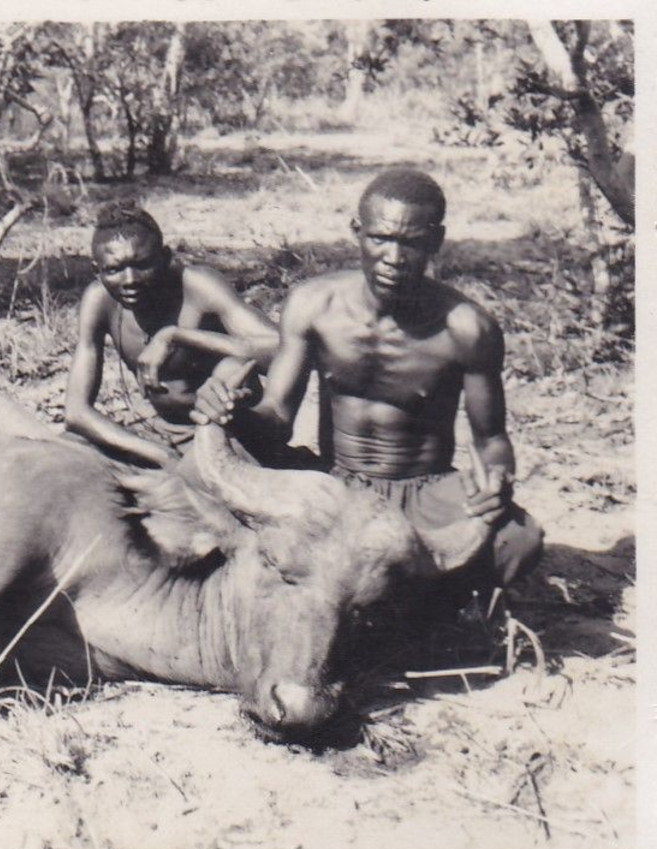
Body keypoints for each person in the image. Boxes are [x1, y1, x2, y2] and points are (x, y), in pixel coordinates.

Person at [193, 168, 544, 597]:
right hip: (334, 482)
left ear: (435, 241)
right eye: (380, 238)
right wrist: (231, 410)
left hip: (425, 490)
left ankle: (399, 601)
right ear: (357, 232)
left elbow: (491, 439)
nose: (393, 258)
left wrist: (498, 481)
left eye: (411, 243)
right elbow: (277, 415)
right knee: (202, 481)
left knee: (518, 539)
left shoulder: (467, 328)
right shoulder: (313, 304)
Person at [64, 202, 278, 468]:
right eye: (114, 270)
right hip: (161, 433)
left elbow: (283, 353)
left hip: (228, 430)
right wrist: (160, 455)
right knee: (67, 456)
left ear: (165, 258)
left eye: (142, 265)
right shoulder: (99, 300)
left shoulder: (198, 286)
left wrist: (177, 336)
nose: (129, 280)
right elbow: (76, 413)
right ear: (97, 271)